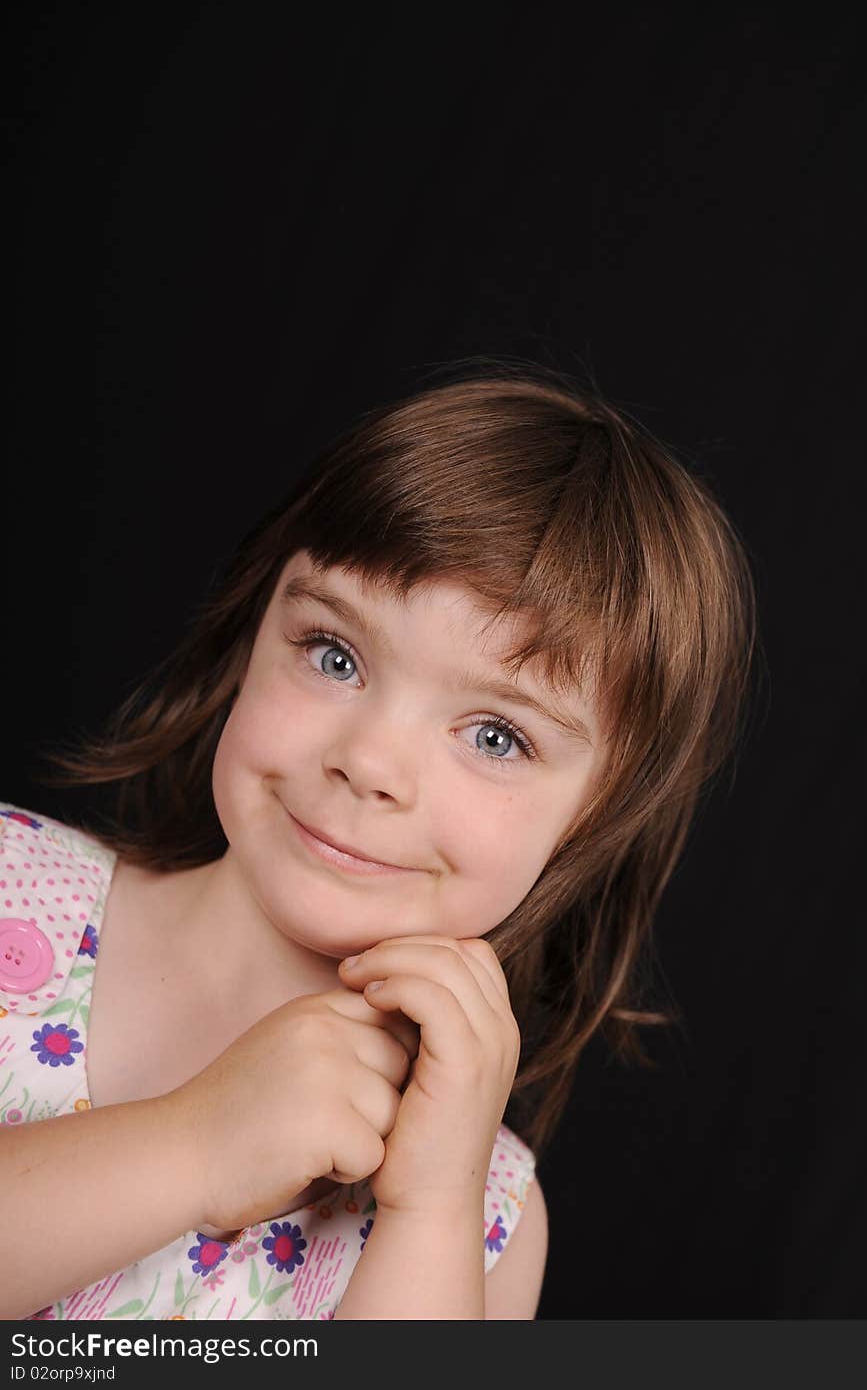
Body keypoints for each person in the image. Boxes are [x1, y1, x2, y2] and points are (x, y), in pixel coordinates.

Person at [0, 360, 757, 1320]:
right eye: (336, 655)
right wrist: (195, 1146)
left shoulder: (488, 1218)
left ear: (596, 823)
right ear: (252, 623)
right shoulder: (11, 891)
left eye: (496, 736)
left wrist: (428, 1216)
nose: (369, 762)